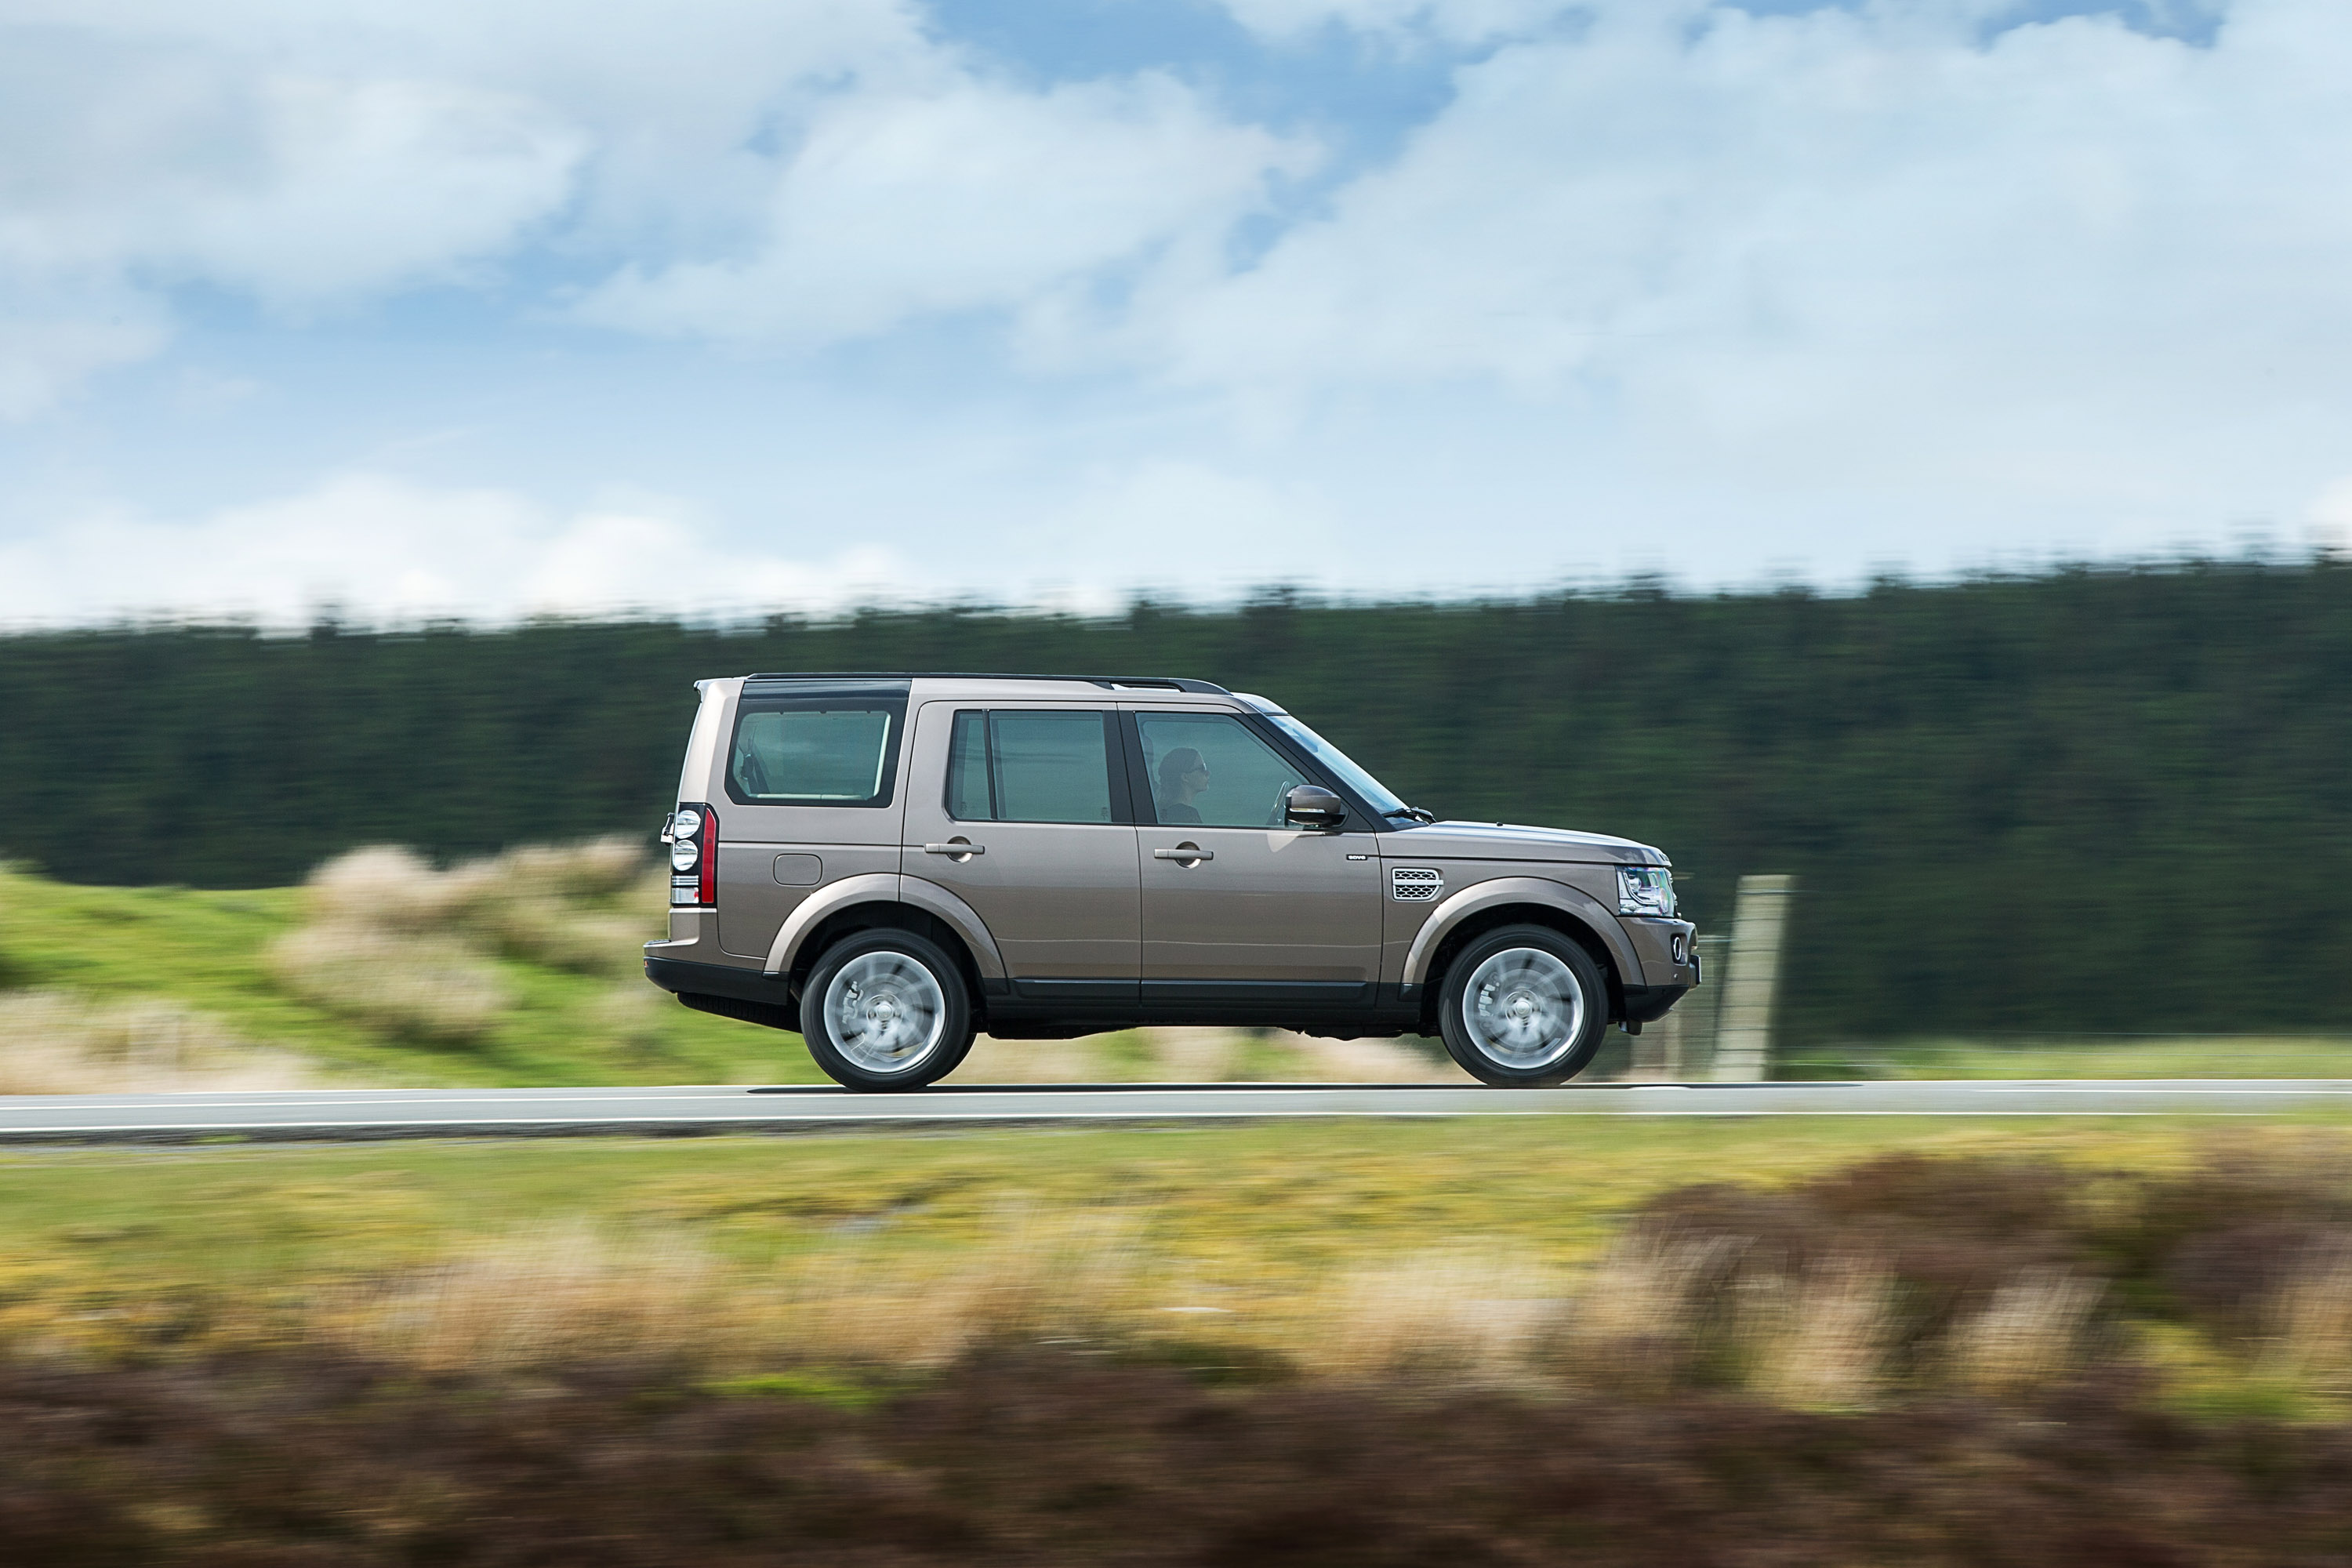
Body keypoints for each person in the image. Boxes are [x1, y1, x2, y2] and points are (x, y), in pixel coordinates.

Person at [1155, 746, 1208, 823]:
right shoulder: (1187, 816)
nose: (1208, 773)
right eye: (1202, 768)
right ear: (1185, 777)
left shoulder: (1162, 810)